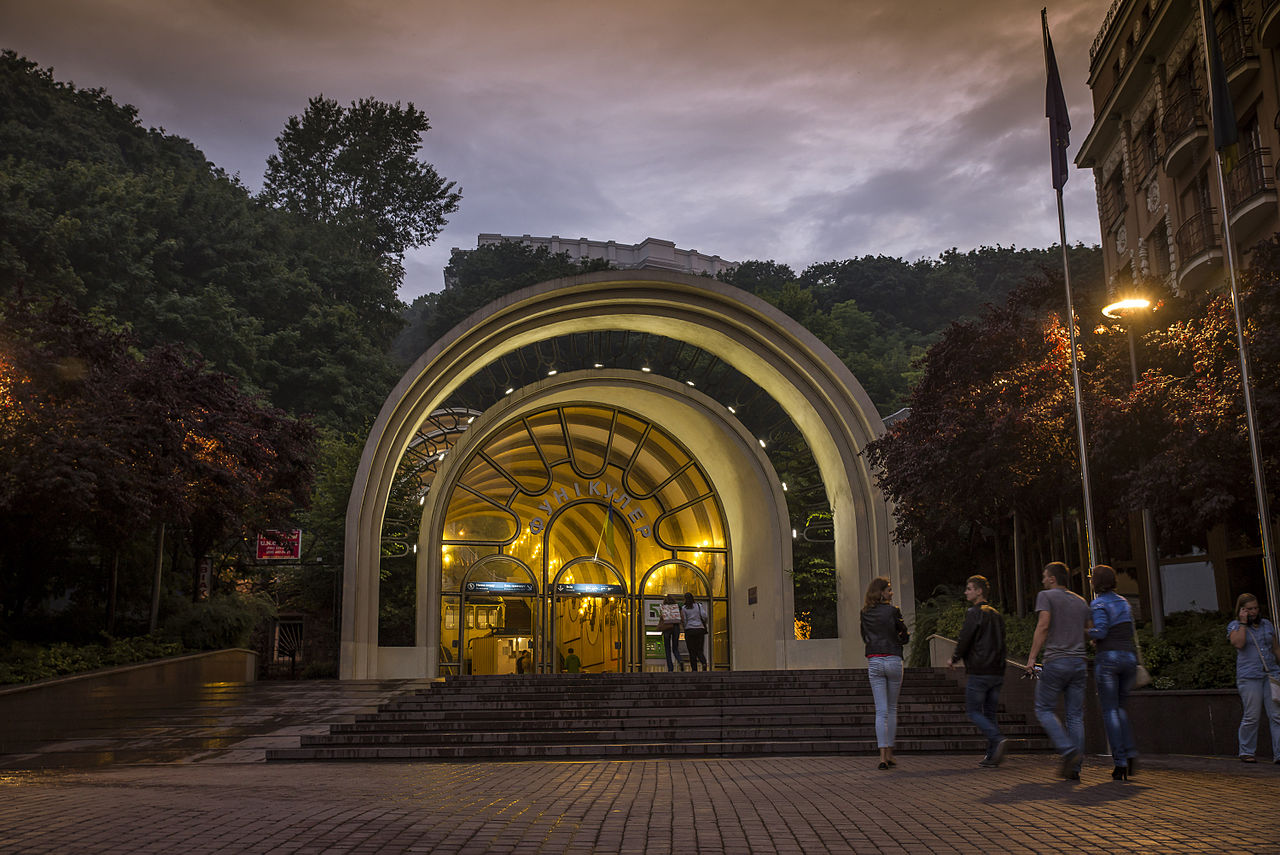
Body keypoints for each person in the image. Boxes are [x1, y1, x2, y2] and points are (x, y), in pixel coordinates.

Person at [1024, 561, 1090, 780]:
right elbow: (1089, 631)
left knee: (1043, 708)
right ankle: (1075, 767)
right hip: (1079, 663)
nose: (1043, 580)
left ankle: (1067, 750)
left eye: (1045, 576)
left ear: (1052, 579)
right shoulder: (1081, 601)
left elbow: (1043, 625)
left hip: (1056, 661)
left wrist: (1032, 658)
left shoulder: (1047, 596)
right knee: (1075, 716)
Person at [948, 574, 1008, 767]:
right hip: (996, 671)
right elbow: (1002, 642)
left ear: (979, 591)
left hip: (980, 670)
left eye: (969, 588)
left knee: (974, 711)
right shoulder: (996, 614)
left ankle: (997, 739)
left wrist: (955, 658)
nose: (966, 592)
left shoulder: (974, 613)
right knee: (990, 713)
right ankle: (992, 756)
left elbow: (966, 638)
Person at [1087, 565, 1139, 780]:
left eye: (1092, 579)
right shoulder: (1123, 602)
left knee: (1110, 711)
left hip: (1108, 659)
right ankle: (1130, 751)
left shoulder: (1099, 603)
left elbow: (1101, 630)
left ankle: (1120, 762)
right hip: (1128, 658)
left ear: (1097, 582)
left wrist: (1082, 632)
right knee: (1120, 708)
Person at [860, 576, 909, 770]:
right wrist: (900, 640)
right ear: (881, 592)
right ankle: (890, 753)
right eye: (889, 589)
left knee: (880, 711)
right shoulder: (893, 611)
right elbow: (904, 634)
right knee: (892, 708)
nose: (891, 592)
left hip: (874, 660)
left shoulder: (864, 613)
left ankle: (881, 757)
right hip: (893, 659)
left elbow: (864, 636)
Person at [1227, 593, 1280, 763]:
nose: (1254, 612)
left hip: (1270, 674)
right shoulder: (1234, 626)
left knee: (1277, 715)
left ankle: (1279, 754)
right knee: (1252, 715)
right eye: (1249, 609)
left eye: (1255, 608)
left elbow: (1276, 649)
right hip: (1250, 677)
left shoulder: (1266, 625)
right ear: (1241, 610)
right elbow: (1239, 643)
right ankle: (1246, 751)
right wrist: (1243, 623)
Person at [681, 593, 709, 671]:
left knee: (691, 650)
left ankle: (694, 669)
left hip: (689, 630)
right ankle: (703, 663)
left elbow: (685, 620)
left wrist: (685, 627)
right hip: (700, 630)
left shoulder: (684, 608)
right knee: (699, 649)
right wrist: (703, 622)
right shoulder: (698, 606)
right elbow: (705, 615)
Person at [658, 593, 683, 672]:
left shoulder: (664, 608)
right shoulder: (678, 607)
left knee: (667, 649)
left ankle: (670, 668)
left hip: (667, 627)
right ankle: (680, 660)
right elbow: (681, 618)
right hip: (676, 627)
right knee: (675, 648)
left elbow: (662, 618)